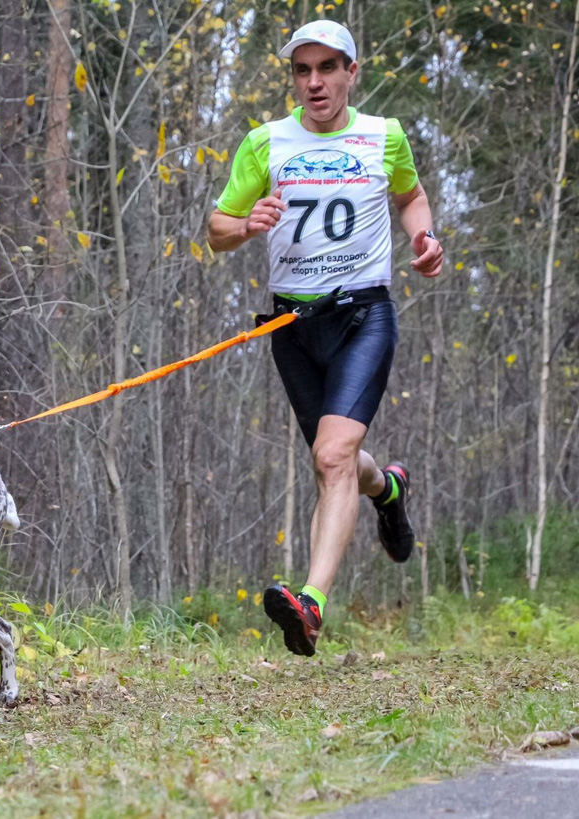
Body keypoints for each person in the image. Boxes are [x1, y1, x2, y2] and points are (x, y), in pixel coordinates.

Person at [207, 19, 444, 656]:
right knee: (339, 462)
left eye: (326, 68)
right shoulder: (265, 143)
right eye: (301, 70)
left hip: (364, 316)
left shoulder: (383, 137)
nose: (314, 82)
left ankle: (310, 604)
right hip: (293, 327)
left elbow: (412, 197)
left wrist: (424, 238)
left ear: (351, 73)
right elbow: (217, 226)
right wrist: (245, 225)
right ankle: (388, 489)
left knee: (331, 458)